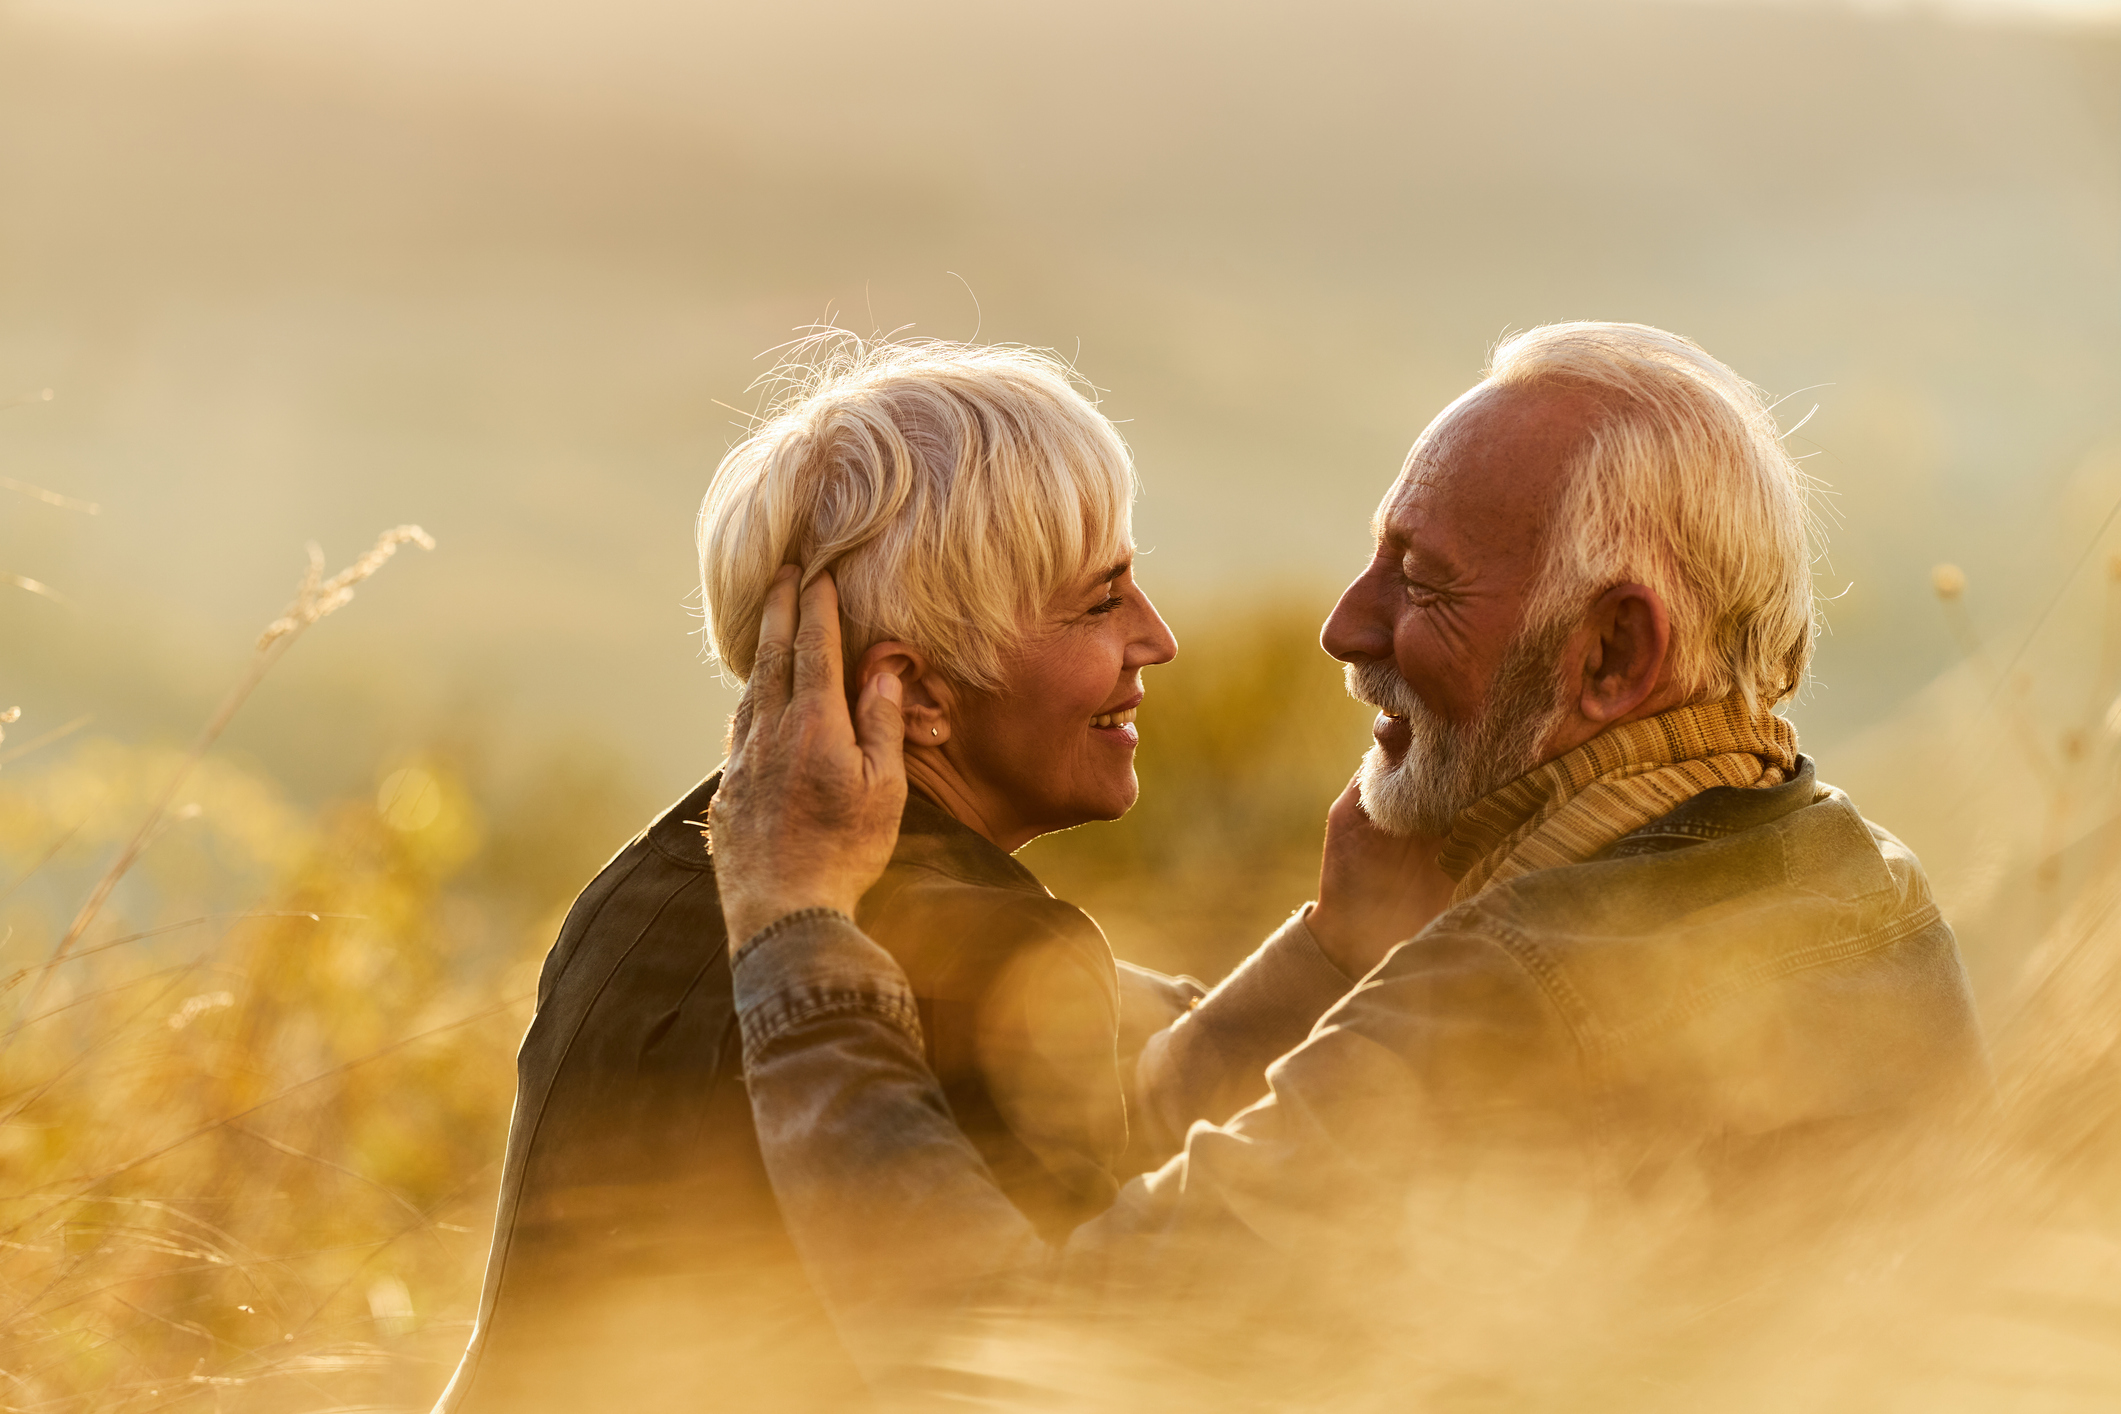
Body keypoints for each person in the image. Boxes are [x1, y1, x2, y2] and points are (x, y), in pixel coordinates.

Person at [707, 321, 1992, 1398]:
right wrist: (1335, 952)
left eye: (1419, 582)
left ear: (1612, 655)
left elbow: (1009, 1364)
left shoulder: (1518, 993)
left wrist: (797, 932)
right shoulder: (1861, 877)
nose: (1343, 624)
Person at [433, 339, 1196, 1413]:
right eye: (1100, 601)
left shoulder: (629, 898)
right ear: (915, 695)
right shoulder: (1010, 954)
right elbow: (1029, 1374)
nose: (1155, 638)